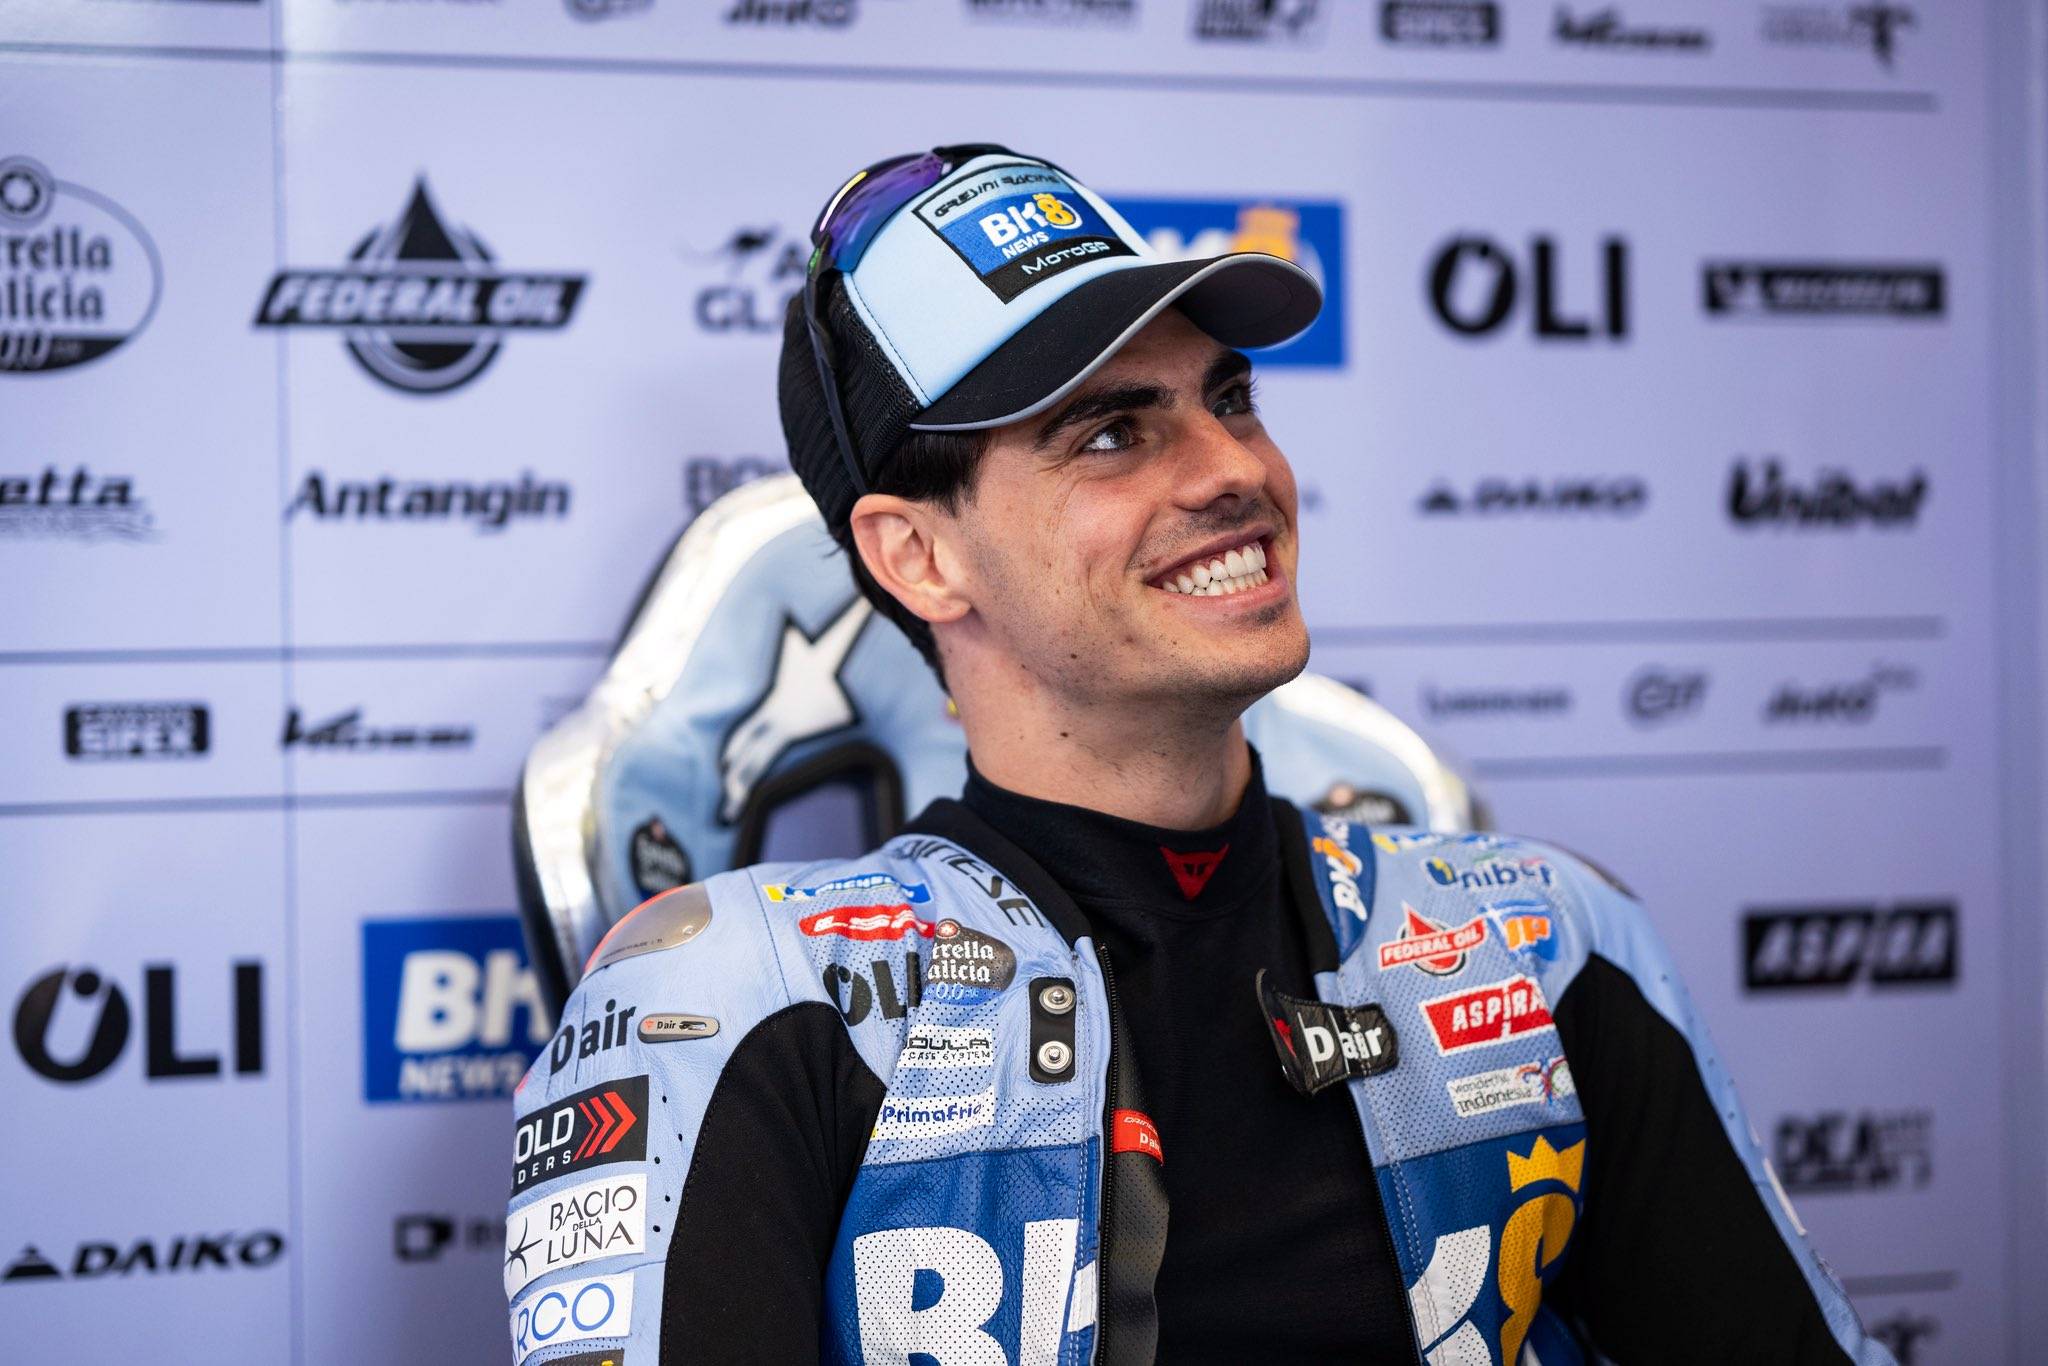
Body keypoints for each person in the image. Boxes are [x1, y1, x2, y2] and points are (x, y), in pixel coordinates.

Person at [504, 144, 1893, 1366]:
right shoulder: (733, 1001)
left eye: (1230, 399)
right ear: (919, 555)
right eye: (1114, 433)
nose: (1233, 468)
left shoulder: (1541, 941)